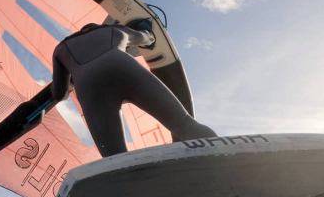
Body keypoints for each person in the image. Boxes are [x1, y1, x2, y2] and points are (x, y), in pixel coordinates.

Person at [50, 19, 216, 157]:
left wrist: (72, 78)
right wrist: (146, 29)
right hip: (122, 65)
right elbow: (146, 38)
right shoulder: (113, 30)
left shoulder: (60, 49)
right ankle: (223, 160)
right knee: (184, 124)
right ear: (96, 27)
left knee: (115, 157)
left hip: (87, 83)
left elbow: (59, 94)